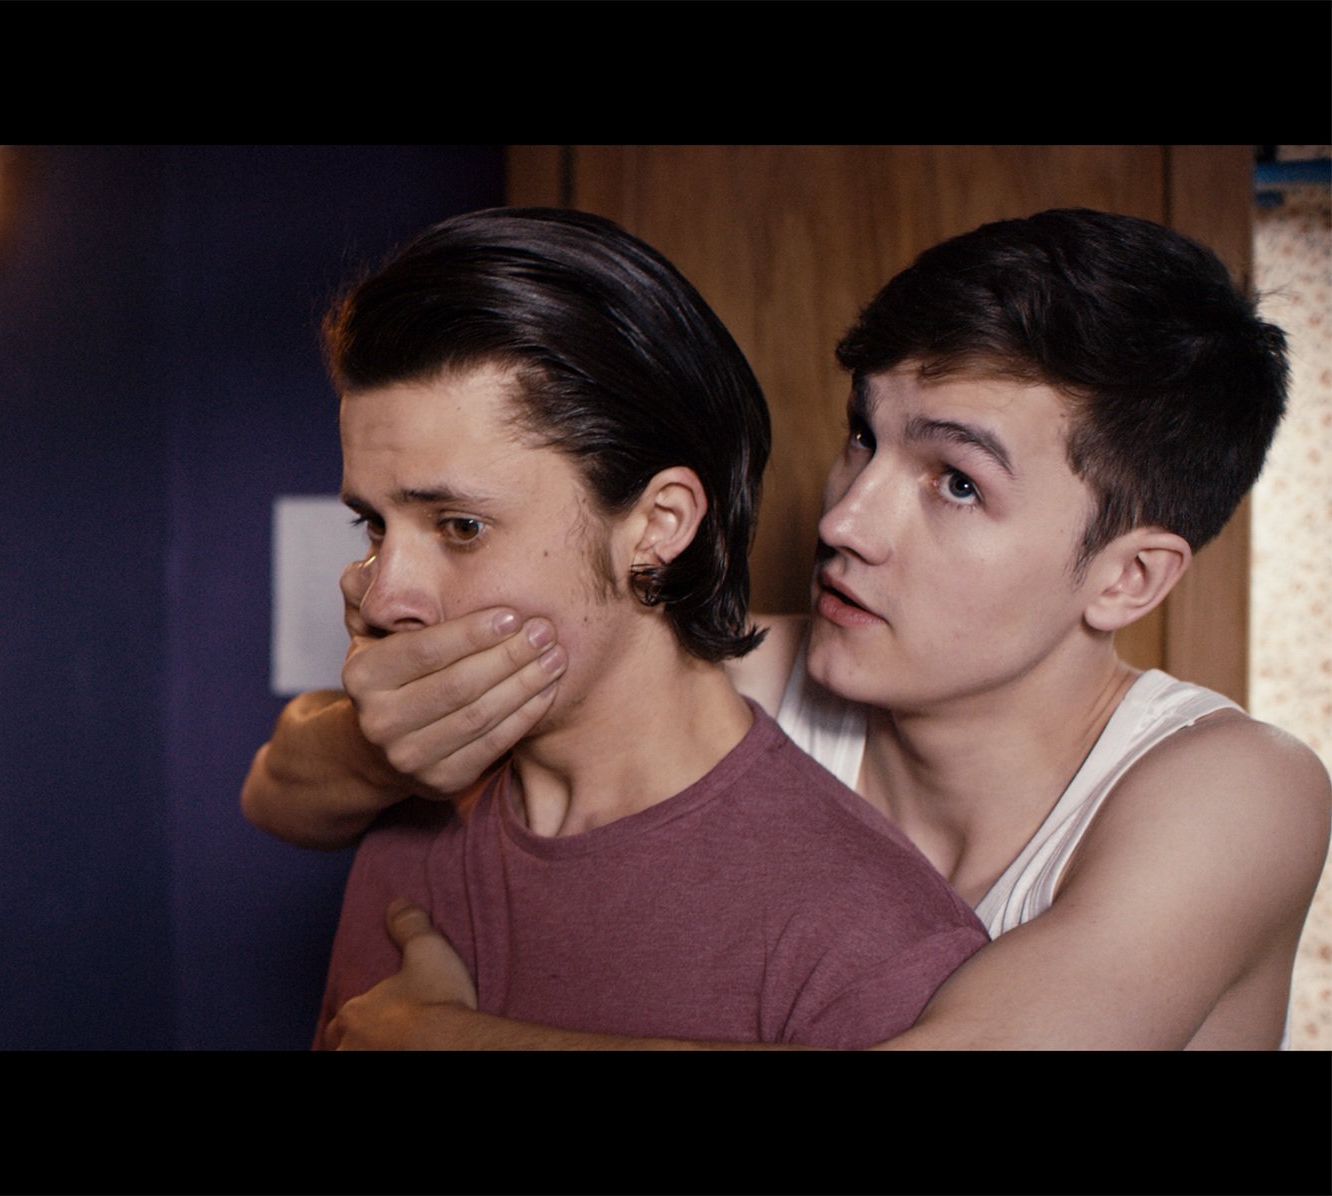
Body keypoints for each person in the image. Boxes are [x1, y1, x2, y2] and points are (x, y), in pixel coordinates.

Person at [244, 208, 1332, 1050]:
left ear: (1129, 577)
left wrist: (447, 1040)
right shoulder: (751, 679)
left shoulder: (1232, 790)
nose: (845, 518)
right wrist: (379, 739)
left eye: (955, 481)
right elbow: (281, 791)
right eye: (864, 437)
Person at [298, 208, 987, 1050]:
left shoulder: (874, 945)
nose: (380, 599)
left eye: (460, 526)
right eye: (373, 525)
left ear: (659, 524)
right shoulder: (409, 829)